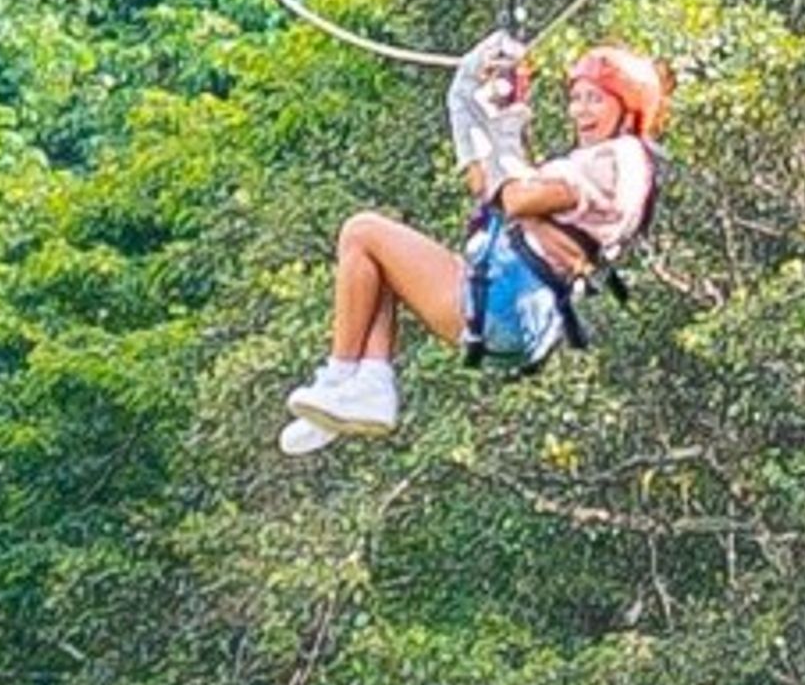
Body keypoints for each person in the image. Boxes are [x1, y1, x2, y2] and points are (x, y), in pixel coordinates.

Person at [282, 34, 672, 450]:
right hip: (511, 307)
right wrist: (466, 100)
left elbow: (517, 198)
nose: (580, 112)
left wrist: (504, 131)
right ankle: (364, 383)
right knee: (380, 263)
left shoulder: (618, 161)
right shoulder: (596, 160)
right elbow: (486, 184)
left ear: (627, 105)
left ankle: (341, 374)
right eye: (576, 99)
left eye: (594, 99)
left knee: (362, 232)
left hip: (508, 300)